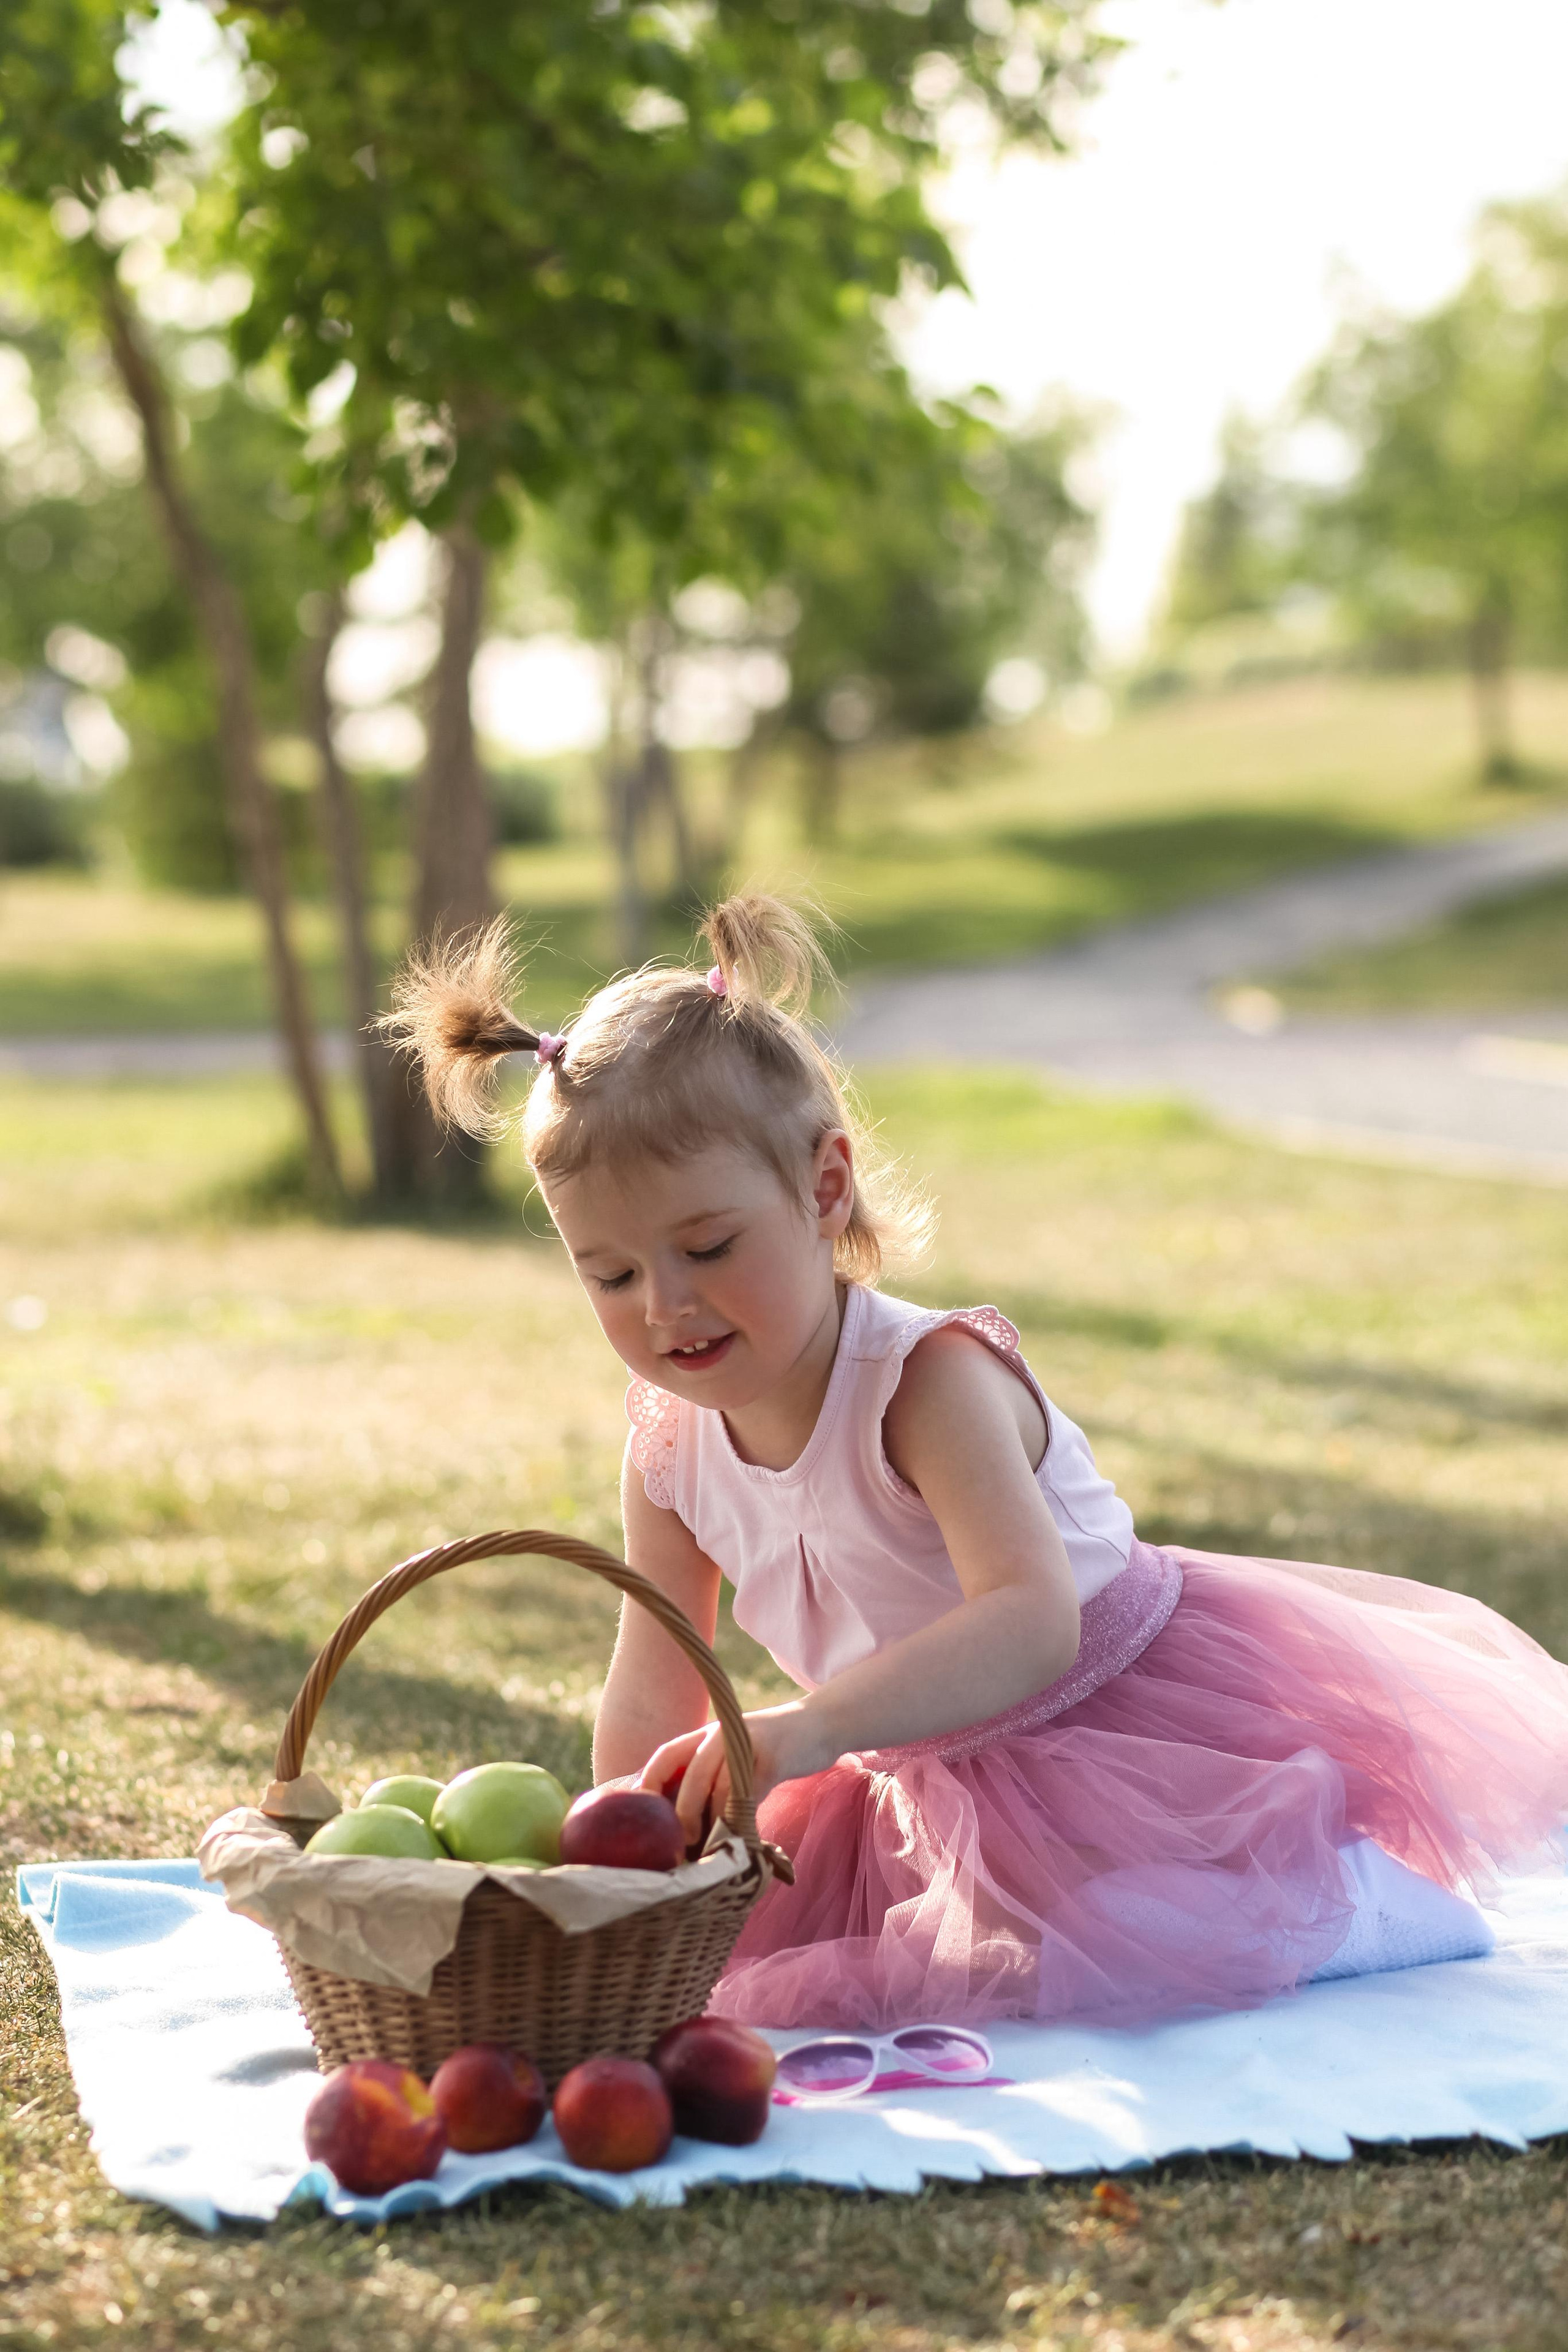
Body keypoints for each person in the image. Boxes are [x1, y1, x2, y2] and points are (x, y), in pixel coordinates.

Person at [385, 894, 1568, 2031]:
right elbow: (656, 1670)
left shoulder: (922, 1381)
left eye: (706, 1246)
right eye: (613, 1275)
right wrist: (624, 1855)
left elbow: (1030, 1621)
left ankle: (1352, 1907)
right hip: (916, 1760)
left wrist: (804, 1730)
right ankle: (1186, 1901)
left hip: (1112, 1722)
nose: (667, 1306)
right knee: (795, 1951)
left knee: (1113, 1937)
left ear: (822, 1186)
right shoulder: (666, 1438)